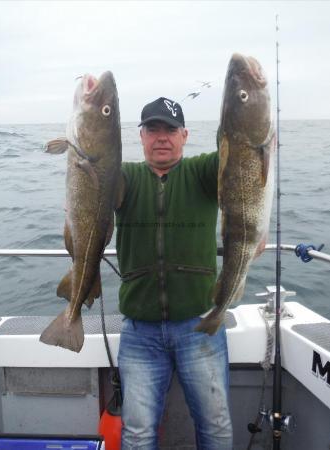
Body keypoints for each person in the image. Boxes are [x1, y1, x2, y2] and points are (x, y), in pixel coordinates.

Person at [115, 97, 233, 450]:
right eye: (153, 129)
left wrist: (241, 102)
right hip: (139, 331)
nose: (161, 137)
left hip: (200, 325)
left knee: (216, 426)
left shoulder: (204, 172)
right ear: (140, 136)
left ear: (185, 135)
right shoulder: (124, 178)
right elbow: (91, 175)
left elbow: (236, 149)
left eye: (170, 129)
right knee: (136, 434)